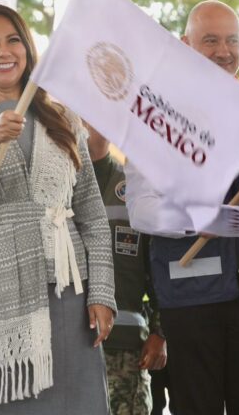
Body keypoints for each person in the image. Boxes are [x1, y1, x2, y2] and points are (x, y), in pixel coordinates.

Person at [125, 0, 239, 415]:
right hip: (188, 299)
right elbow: (141, 209)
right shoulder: (155, 116)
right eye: (210, 40)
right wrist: (199, 219)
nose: (224, 51)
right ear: (185, 44)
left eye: (232, 41)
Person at [0, 4, 116, 414]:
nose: (4, 51)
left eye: (13, 40)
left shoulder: (64, 118)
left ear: (28, 50)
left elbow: (91, 213)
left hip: (66, 287)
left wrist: (102, 292)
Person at [85, 124, 166, 415]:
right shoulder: (57, 182)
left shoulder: (134, 187)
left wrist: (160, 332)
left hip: (127, 347)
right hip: (68, 346)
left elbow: (158, 267)